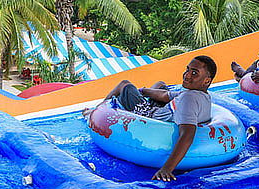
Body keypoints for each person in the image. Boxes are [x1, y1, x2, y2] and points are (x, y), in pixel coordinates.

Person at [85, 55, 217, 182]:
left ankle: (95, 111)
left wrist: (167, 169)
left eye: (194, 73)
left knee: (124, 84)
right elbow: (166, 95)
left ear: (207, 80)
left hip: (148, 115)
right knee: (160, 84)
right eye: (187, 69)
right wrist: (143, 91)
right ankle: (140, 95)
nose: (187, 75)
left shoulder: (189, 99)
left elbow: (187, 134)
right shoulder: (198, 94)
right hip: (164, 111)